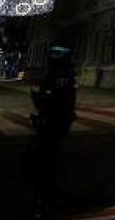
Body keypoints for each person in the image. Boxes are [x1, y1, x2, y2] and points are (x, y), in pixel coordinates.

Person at [25, 45, 78, 216]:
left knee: (43, 159)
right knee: (47, 159)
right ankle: (48, 193)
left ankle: (42, 198)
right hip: (57, 121)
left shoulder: (59, 75)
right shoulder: (67, 74)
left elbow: (51, 100)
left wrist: (38, 98)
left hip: (52, 122)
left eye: (56, 54)